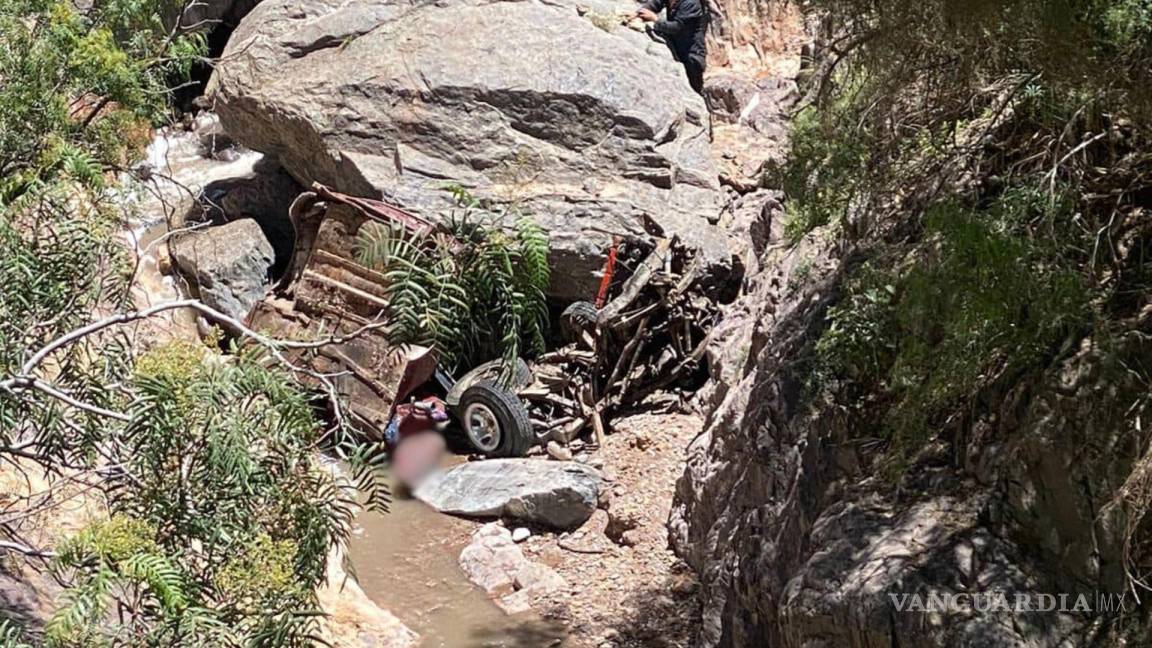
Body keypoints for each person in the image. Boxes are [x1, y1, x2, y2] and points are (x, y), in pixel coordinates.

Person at [635, 0, 708, 95]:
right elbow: (655, 4)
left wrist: (655, 19)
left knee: (693, 89)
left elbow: (676, 27)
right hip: (677, 47)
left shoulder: (691, 3)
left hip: (691, 53)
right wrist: (637, 13)